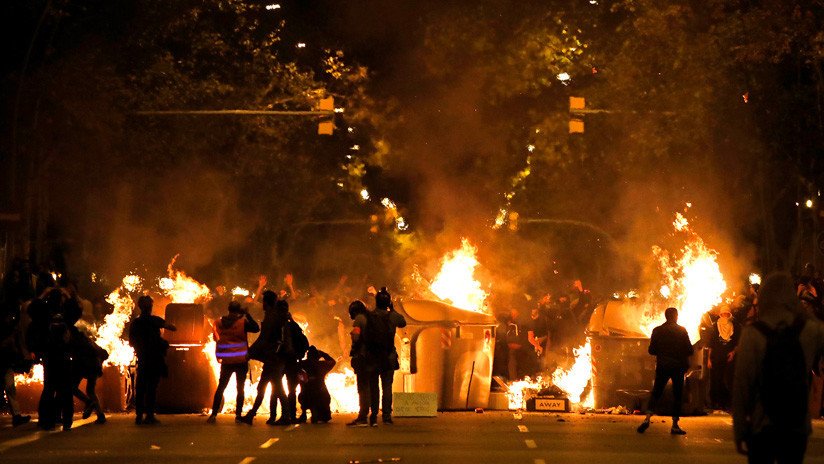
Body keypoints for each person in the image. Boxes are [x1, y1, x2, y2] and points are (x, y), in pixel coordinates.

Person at [733, 272, 824, 463]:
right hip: (797, 425)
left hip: (762, 424)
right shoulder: (810, 330)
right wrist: (805, 308)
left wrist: (740, 428)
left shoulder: (752, 334)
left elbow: (742, 385)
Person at [637, 307, 694, 435]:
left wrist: (662, 352)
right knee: (677, 395)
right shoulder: (682, 330)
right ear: (676, 316)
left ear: (666, 316)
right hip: (678, 367)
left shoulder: (657, 330)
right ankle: (674, 425)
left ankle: (647, 419)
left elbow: (651, 350)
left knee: (656, 392)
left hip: (663, 365)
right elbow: (690, 350)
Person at [207, 300, 260, 423]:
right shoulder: (242, 323)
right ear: (238, 311)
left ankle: (214, 414)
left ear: (228, 309)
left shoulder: (218, 322)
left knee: (221, 387)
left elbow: (215, 338)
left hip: (226, 360)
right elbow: (256, 328)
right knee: (240, 388)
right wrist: (247, 314)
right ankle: (238, 415)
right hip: (240, 360)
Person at [242, 296, 292, 425]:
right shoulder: (275, 317)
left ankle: (286, 416)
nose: (262, 304)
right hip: (273, 359)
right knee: (263, 387)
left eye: (264, 301)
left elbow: (263, 339)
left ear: (267, 303)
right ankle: (251, 415)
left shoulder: (273, 318)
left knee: (277, 388)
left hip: (274, 359)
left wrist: (251, 352)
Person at [128, 295, 176, 425]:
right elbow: (172, 327)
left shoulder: (136, 323)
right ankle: (149, 415)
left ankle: (139, 416)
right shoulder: (154, 320)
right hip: (155, 358)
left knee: (141, 387)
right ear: (151, 307)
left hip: (143, 358)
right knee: (152, 388)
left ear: (139, 307)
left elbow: (131, 342)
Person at [373, 287, 406, 424]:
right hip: (388, 356)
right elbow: (402, 322)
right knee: (387, 387)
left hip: (374, 356)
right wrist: (392, 309)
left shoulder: (371, 315)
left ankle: (373, 415)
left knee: (374, 386)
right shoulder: (392, 316)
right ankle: (386, 416)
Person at [347, 299, 378, 427]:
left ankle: (362, 416)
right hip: (373, 356)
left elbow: (356, 337)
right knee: (372, 386)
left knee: (362, 387)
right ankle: (373, 416)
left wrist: (353, 348)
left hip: (362, 356)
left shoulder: (359, 319)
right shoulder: (371, 317)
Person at [0, 302, 32, 426]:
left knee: (10, 388)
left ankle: (17, 415)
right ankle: (16, 415)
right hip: (3, 361)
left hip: (6, 362)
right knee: (9, 387)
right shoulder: (5, 329)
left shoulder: (11, 328)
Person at [71, 328, 108, 424]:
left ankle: (88, 402)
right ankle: (100, 415)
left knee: (72, 387)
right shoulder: (89, 341)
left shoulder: (75, 342)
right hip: (95, 366)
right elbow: (104, 353)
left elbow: (75, 356)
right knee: (90, 390)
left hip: (84, 366)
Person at [708, 304, 740, 411]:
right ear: (720, 314)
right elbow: (711, 343)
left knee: (728, 380)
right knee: (717, 380)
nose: (725, 315)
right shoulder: (714, 326)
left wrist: (733, 352)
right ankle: (716, 403)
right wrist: (708, 359)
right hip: (716, 357)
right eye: (723, 313)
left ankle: (727, 404)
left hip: (729, 357)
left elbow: (737, 342)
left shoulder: (735, 326)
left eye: (727, 313)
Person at [298, 345, 336, 423]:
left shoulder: (304, 364)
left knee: (303, 394)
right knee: (324, 398)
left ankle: (304, 414)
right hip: (320, 392)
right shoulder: (322, 365)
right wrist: (323, 354)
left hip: (307, 393)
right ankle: (319, 414)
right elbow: (333, 361)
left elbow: (296, 368)